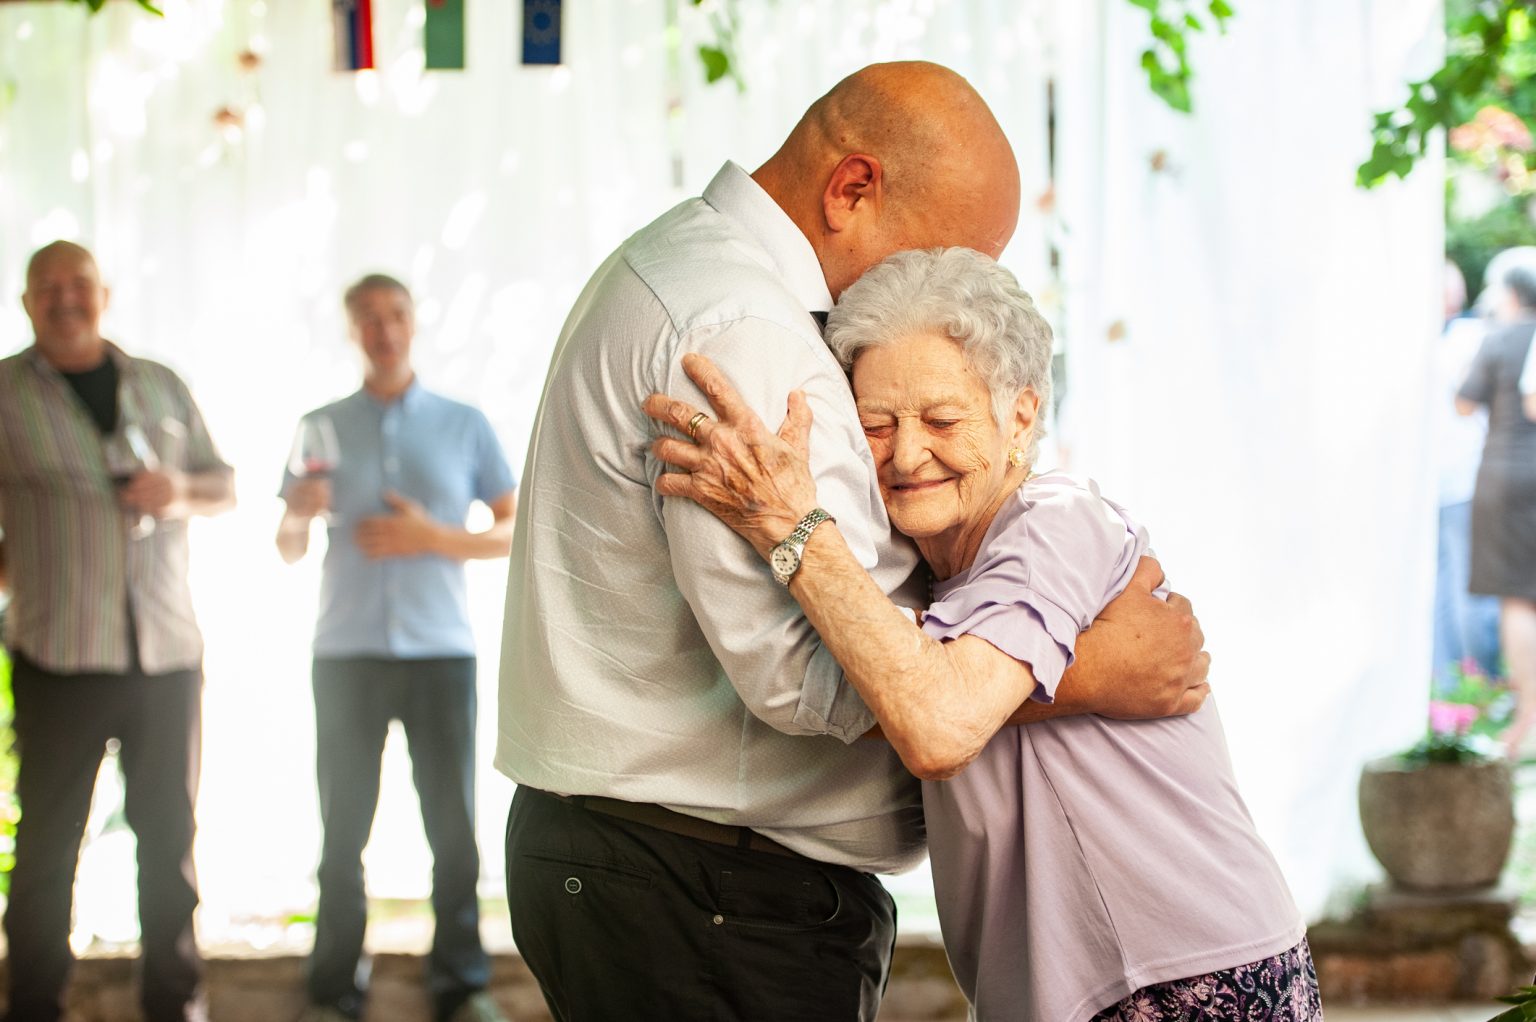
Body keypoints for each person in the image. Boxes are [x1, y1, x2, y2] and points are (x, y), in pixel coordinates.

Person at [497, 62, 1209, 1021]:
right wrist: (1086, 673)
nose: (949, 300)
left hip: (684, 878)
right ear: (853, 189)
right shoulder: (746, 330)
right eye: (947, 257)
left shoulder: (691, 267)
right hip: (707, 889)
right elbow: (803, 669)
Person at [644, 246, 1316, 1021]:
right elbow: (903, 697)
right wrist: (1097, 672)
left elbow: (937, 724)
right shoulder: (929, 583)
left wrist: (791, 522)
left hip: (1180, 974)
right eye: (876, 424)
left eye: (942, 419)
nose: (905, 453)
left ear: (1021, 415)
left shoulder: (1056, 523)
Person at [0, 240, 236, 1022]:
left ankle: (176, 1006)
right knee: (46, 853)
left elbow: (224, 485)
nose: (65, 300)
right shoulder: (5, 393)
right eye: (47, 288)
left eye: (79, 286)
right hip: (58, 658)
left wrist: (181, 491)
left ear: (103, 294)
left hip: (166, 657)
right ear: (27, 304)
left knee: (169, 846)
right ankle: (34, 1007)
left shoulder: (160, 383)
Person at [277, 274, 518, 1022]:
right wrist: (297, 515)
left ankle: (461, 987)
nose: (383, 331)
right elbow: (286, 546)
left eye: (395, 316)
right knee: (341, 829)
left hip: (441, 654)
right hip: (344, 654)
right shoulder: (318, 425)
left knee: (452, 828)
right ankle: (332, 991)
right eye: (367, 320)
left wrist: (433, 538)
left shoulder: (465, 424)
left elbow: (515, 529)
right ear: (351, 332)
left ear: (414, 324)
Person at [1459, 253, 1536, 756]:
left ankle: (1526, 724)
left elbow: (1463, 402)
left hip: (1507, 477)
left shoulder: (1500, 338)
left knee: (1517, 599)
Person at [1433, 259, 1501, 691]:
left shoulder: (1460, 338)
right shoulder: (1465, 338)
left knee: (1457, 585)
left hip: (1453, 481)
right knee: (1457, 585)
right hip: (1451, 482)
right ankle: (1467, 680)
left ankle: (1467, 681)